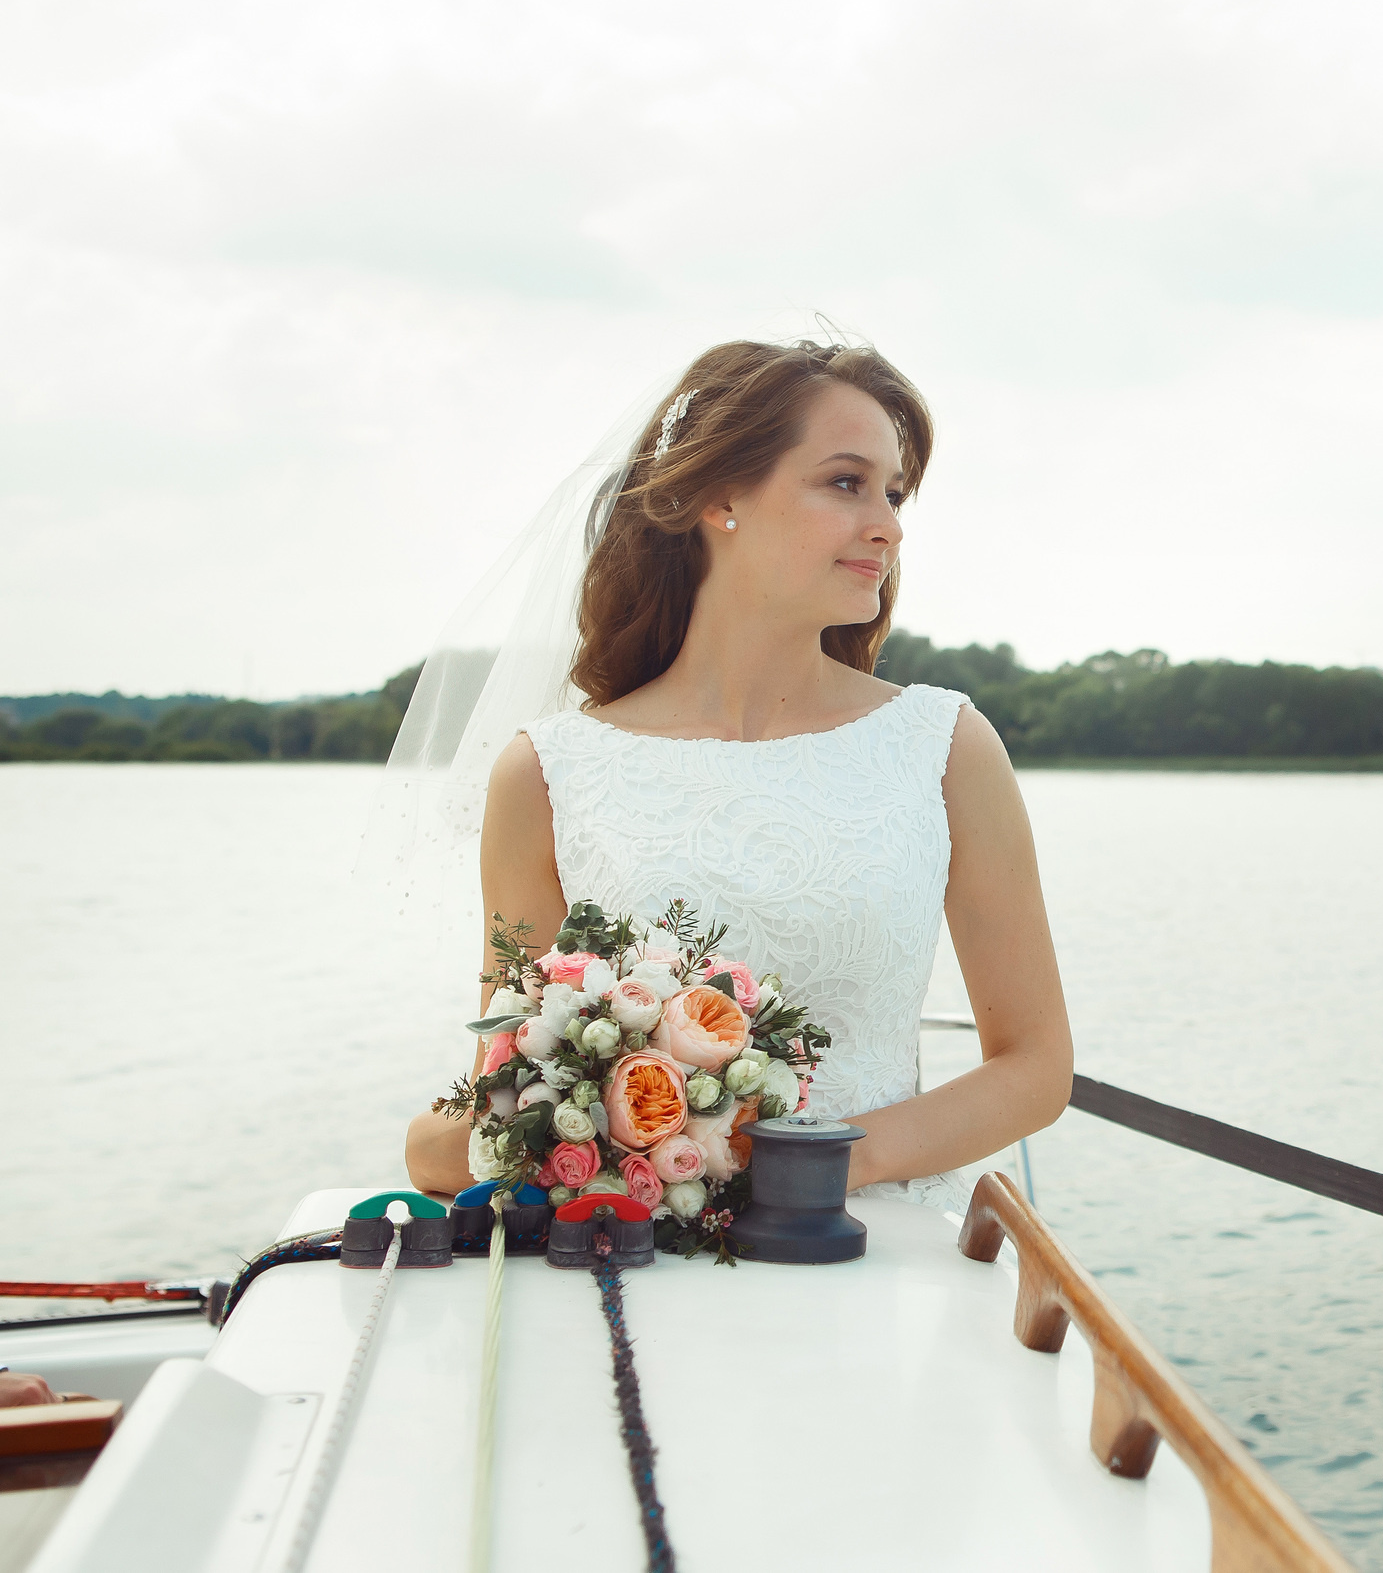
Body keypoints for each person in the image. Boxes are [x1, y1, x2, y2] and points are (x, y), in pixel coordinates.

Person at [402, 340, 1072, 1206]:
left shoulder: (945, 745)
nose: (889, 525)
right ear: (721, 497)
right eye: (845, 482)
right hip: (628, 1260)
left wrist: (824, 1159)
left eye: (894, 494)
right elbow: (505, 1091)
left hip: (871, 1259)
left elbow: (1035, 1066)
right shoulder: (546, 773)